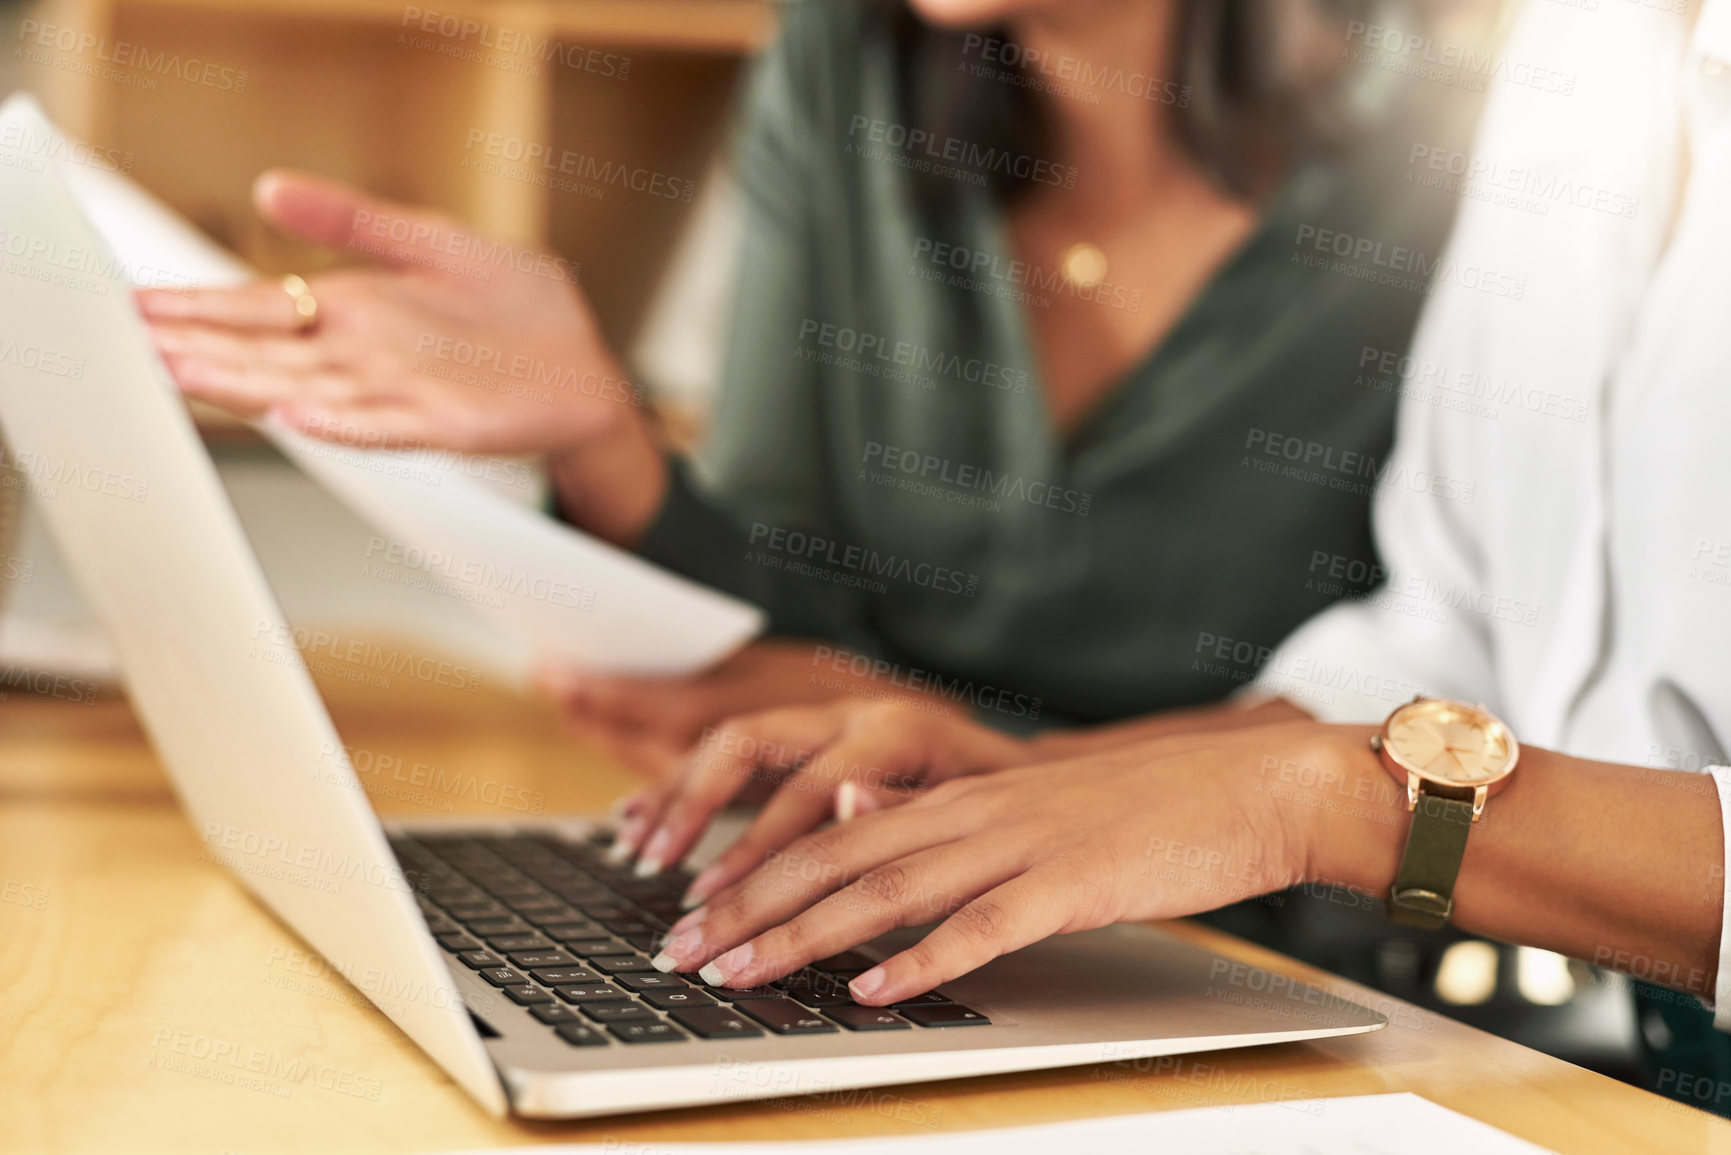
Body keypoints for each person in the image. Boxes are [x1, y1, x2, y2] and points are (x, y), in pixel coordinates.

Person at [623, 0, 1731, 1101]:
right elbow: (1450, 628)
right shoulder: (1584, 41)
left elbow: (1348, 781)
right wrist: (1044, 781)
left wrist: (1317, 804)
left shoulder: (1425, 110)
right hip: (1655, 1059)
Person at [137, 0, 1491, 775]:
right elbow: (781, 610)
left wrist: (961, 744)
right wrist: (593, 425)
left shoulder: (1470, 144)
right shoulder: (847, 60)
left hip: (1271, 966)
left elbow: (1453, 716)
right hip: (864, 872)